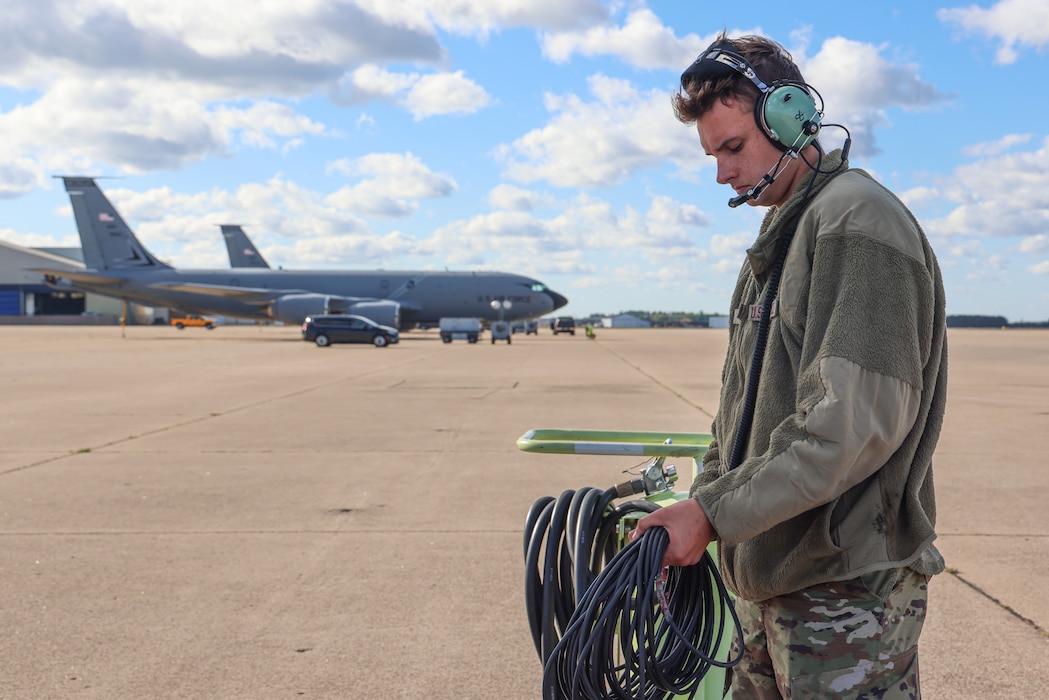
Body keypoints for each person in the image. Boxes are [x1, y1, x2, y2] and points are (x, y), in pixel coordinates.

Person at [630, 32, 948, 699]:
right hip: (768, 584)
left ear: (789, 118)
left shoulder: (856, 223)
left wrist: (713, 515)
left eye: (733, 147)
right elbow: (733, 417)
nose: (721, 172)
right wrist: (699, 508)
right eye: (712, 154)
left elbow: (848, 426)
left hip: (841, 594)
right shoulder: (781, 239)